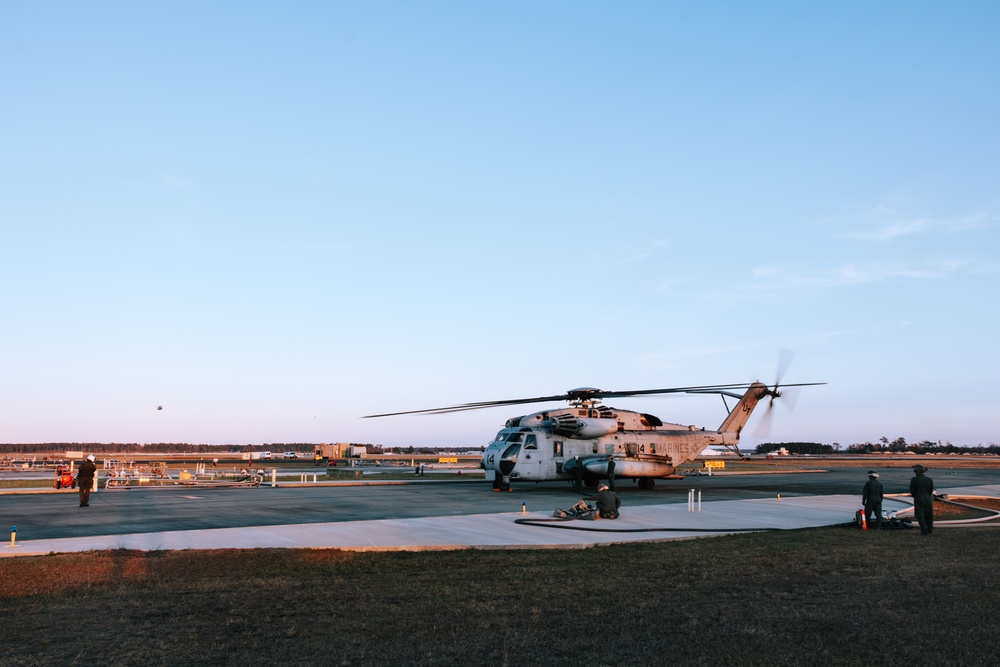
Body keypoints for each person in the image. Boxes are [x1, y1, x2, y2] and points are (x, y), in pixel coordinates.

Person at [909, 464, 935, 535]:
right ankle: (930, 529)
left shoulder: (914, 479)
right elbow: (930, 490)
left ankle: (924, 530)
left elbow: (912, 490)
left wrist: (916, 496)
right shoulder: (929, 479)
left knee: (919, 515)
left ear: (917, 472)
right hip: (927, 497)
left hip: (919, 497)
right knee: (929, 515)